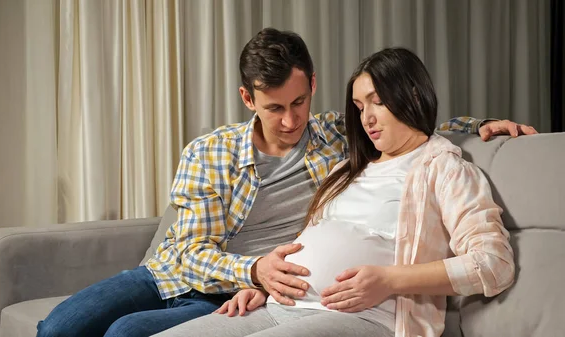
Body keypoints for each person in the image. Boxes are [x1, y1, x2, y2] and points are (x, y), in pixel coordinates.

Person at [36, 28, 532, 337]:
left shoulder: (339, 139)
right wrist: (256, 274)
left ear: (312, 85)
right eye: (274, 107)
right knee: (61, 327)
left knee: (126, 334)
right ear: (248, 99)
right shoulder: (211, 152)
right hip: (183, 276)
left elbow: (416, 127)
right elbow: (187, 253)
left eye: (299, 102)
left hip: (278, 295)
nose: (292, 120)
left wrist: (482, 124)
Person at [153, 47, 516, 337]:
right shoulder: (347, 168)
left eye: (377, 101)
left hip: (368, 318)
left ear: (413, 94)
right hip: (278, 307)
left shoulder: (443, 168)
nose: (367, 118)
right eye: (359, 108)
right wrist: (264, 289)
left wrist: (389, 280)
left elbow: (493, 264)